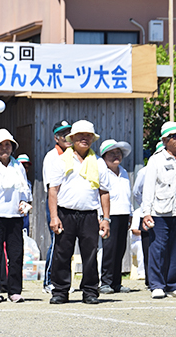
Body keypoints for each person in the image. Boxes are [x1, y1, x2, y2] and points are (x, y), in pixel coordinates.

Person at [47, 120, 111, 305]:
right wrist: (54, 216)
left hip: (90, 214)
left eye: (88, 135)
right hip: (65, 213)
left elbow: (104, 191)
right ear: (72, 138)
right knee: (62, 253)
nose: (85, 138)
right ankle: (60, 291)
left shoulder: (98, 162)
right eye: (80, 135)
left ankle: (90, 291)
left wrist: (105, 219)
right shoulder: (61, 161)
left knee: (90, 254)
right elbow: (53, 190)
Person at [0, 129, 32, 303]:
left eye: (7, 144)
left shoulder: (18, 167)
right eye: (0, 145)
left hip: (15, 217)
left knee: (16, 255)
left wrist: (25, 202)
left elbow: (25, 190)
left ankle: (14, 291)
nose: (4, 148)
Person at [142, 121, 176, 299]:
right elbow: (149, 187)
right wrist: (146, 212)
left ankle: (173, 283)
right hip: (160, 211)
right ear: (165, 139)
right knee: (158, 249)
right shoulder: (156, 159)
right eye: (175, 137)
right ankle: (156, 284)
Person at [98, 140, 133, 294]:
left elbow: (128, 194)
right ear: (104, 156)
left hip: (124, 213)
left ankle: (116, 282)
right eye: (111, 153)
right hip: (108, 215)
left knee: (120, 249)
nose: (116, 156)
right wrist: (101, 216)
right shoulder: (102, 171)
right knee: (109, 249)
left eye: (118, 153)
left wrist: (130, 213)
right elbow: (99, 194)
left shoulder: (124, 171)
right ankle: (105, 282)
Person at [42, 120, 72, 293]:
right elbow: (51, 188)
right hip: (57, 204)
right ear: (56, 138)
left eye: (70, 134)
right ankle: (49, 280)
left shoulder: (76, 154)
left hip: (71, 205)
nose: (68, 138)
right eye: (63, 135)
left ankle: (63, 281)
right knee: (56, 242)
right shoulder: (52, 157)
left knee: (67, 244)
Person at [16, 153, 33, 233]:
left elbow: (29, 199)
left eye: (27, 167)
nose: (25, 169)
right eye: (23, 166)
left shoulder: (28, 183)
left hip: (25, 212)